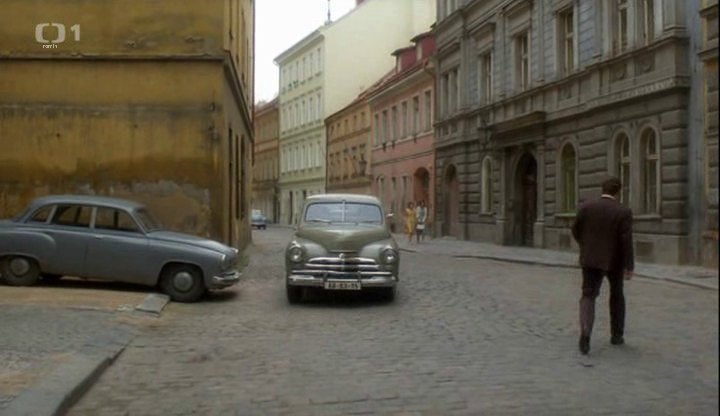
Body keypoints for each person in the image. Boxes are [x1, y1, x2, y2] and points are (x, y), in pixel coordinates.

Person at [572, 177, 634, 355]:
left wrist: (585, 245)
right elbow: (626, 241)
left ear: (602, 189)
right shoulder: (623, 211)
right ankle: (616, 335)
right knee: (617, 295)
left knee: (588, 295)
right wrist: (629, 265)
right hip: (614, 261)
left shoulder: (586, 207)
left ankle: (585, 334)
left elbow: (575, 229)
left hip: (590, 258)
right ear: (618, 191)